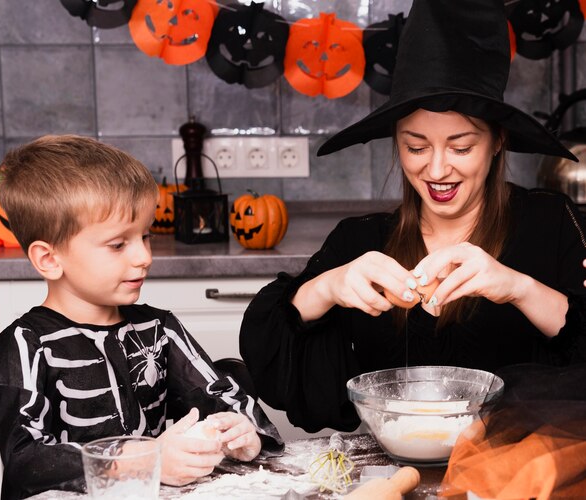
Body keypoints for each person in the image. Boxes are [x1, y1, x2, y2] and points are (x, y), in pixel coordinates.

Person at [239, 0, 586, 434]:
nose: (437, 170)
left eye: (461, 147)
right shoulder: (359, 241)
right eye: (416, 147)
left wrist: (517, 287)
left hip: (516, 478)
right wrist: (326, 287)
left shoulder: (549, 223)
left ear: (498, 141)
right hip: (391, 472)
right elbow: (275, 364)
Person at [0, 135, 283, 500]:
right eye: (118, 244)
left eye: (145, 236)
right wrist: (143, 458)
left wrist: (246, 432)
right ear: (49, 259)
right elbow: (23, 459)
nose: (144, 256)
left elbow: (221, 395)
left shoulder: (157, 328)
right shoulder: (25, 344)